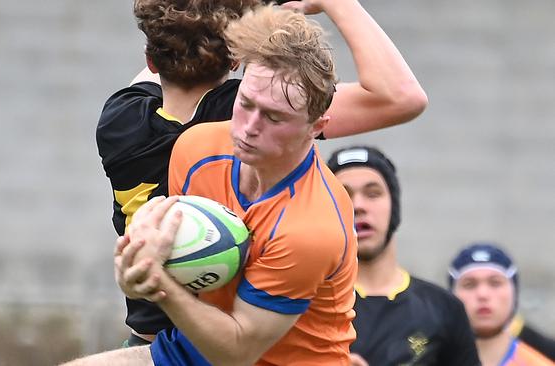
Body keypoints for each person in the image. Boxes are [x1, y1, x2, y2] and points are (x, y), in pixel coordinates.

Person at [96, 0, 428, 346]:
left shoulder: (120, 119)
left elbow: (168, 42)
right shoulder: (246, 117)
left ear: (151, 59)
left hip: (144, 339)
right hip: (212, 341)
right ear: (238, 60)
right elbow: (401, 97)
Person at [64, 4, 360, 365]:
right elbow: (177, 258)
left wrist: (157, 283)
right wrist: (139, 262)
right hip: (193, 349)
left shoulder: (310, 228)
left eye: (273, 116)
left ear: (317, 127)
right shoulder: (196, 147)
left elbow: (238, 351)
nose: (248, 127)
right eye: (245, 104)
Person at [328, 145, 480, 366]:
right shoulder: (303, 302)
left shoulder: (444, 308)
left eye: (373, 193)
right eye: (344, 195)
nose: (358, 206)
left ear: (394, 206)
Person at [448, 243, 554, 365]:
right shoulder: (428, 358)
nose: (483, 294)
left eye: (495, 283)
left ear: (514, 294)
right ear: (450, 295)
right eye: (469, 284)